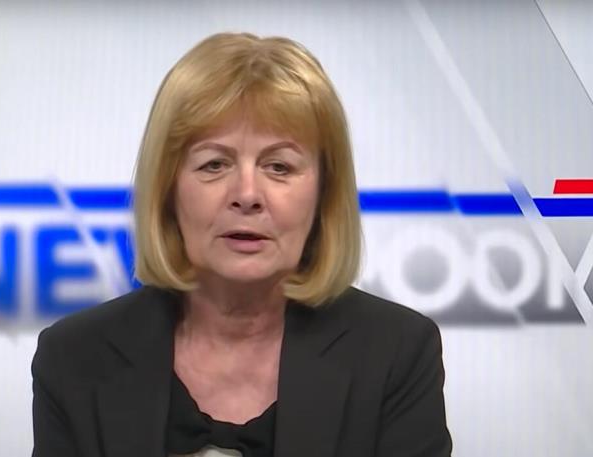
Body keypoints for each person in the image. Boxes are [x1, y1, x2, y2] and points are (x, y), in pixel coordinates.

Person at [31, 32, 452, 457]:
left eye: (279, 166)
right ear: (167, 189)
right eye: (214, 164)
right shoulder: (74, 358)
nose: (247, 194)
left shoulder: (396, 354)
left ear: (324, 194)